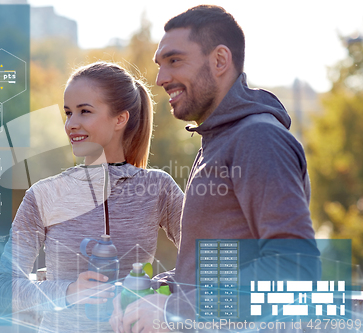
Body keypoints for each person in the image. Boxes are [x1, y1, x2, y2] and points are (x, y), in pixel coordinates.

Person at [111, 5, 320, 333]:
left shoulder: (257, 138)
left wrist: (174, 310)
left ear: (220, 61)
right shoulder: (219, 140)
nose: (161, 79)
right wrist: (158, 290)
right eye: (160, 65)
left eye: (174, 61)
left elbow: (295, 269)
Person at [0, 61, 184, 333]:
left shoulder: (158, 188)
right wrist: (69, 292)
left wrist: (153, 288)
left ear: (120, 118)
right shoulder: (44, 195)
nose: (72, 124)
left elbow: (210, 261)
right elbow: (3, 289)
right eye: (68, 113)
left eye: (85, 112)